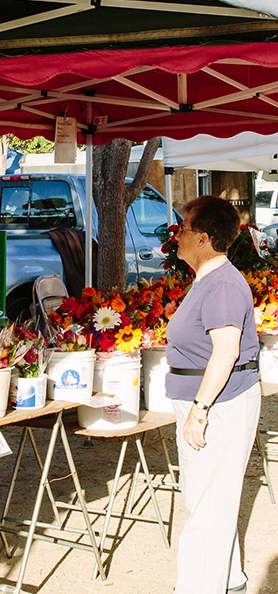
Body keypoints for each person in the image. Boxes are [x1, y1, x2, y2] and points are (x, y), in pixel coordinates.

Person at [165, 195, 261, 594]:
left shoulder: (222, 283)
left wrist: (200, 409)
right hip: (211, 402)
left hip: (220, 405)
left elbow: (226, 351)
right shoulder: (210, 280)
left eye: (183, 230)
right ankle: (229, 580)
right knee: (208, 500)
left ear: (203, 238)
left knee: (208, 507)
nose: (177, 238)